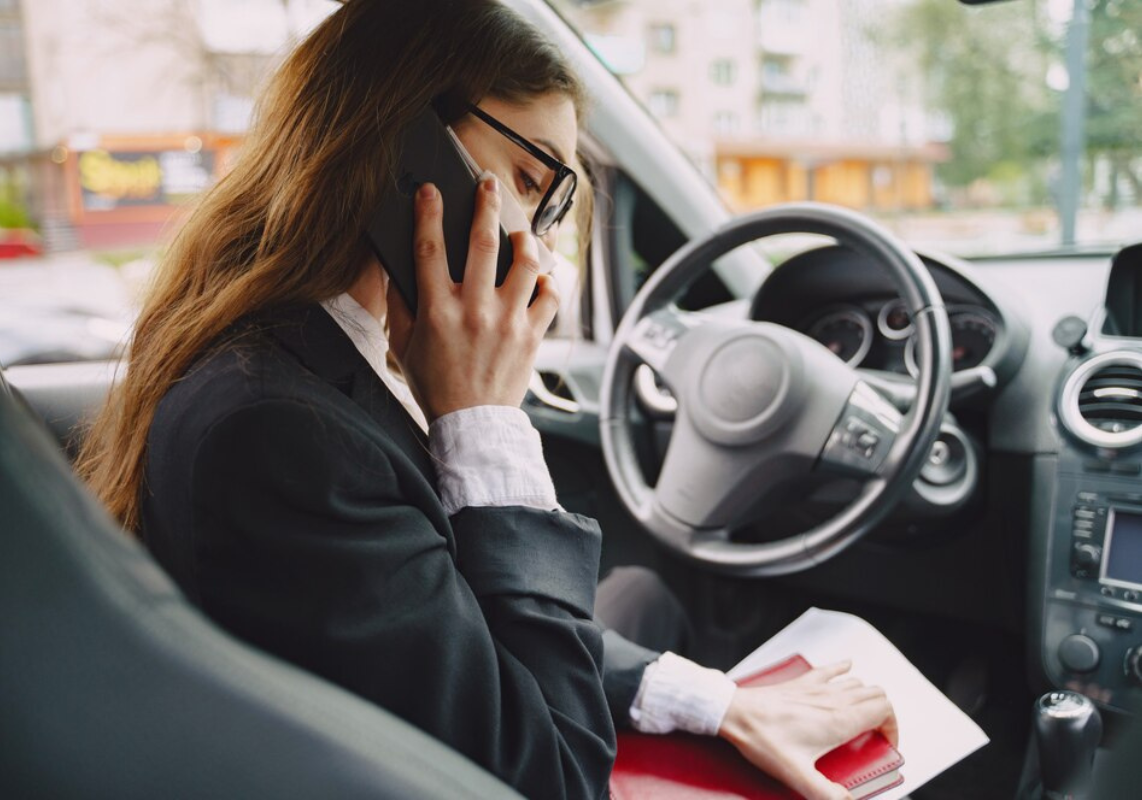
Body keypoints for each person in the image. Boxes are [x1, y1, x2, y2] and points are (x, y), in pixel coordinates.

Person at [76, 1, 896, 798]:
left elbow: (441, 621)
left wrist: (721, 705)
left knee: (644, 598)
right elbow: (553, 774)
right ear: (403, 149)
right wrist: (484, 422)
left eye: (552, 208)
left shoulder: (313, 358)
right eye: (529, 180)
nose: (537, 248)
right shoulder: (282, 436)